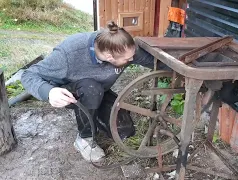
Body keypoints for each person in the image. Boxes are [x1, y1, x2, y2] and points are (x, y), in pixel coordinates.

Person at [21, 21, 168, 163]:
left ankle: (96, 115)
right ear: (110, 57)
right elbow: (28, 75)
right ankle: (84, 138)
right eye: (128, 59)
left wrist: (183, 71)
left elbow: (155, 62)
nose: (132, 59)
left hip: (99, 90)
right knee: (91, 89)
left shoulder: (123, 47)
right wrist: (49, 92)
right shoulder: (69, 52)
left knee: (124, 131)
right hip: (73, 93)